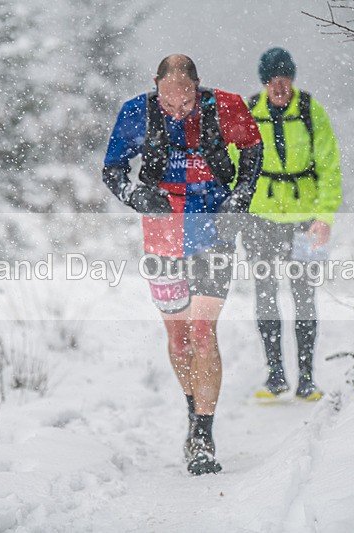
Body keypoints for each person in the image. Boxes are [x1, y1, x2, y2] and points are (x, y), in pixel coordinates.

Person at [102, 54, 263, 475]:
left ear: (198, 87)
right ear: (156, 85)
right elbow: (113, 170)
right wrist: (136, 196)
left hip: (213, 229)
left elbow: (253, 150)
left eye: (186, 104)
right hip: (162, 233)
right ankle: (193, 412)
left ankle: (205, 437)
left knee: (204, 334)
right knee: (179, 339)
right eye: (169, 104)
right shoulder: (136, 112)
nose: (177, 111)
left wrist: (240, 196)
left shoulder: (225, 107)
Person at [241, 47, 342, 402]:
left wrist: (324, 218)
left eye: (284, 78)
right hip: (260, 221)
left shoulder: (311, 111)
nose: (278, 86)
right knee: (265, 295)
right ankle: (275, 377)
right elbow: (236, 165)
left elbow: (329, 169)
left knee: (304, 296)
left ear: (292, 78)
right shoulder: (250, 112)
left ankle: (307, 379)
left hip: (305, 222)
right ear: (264, 82)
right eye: (271, 80)